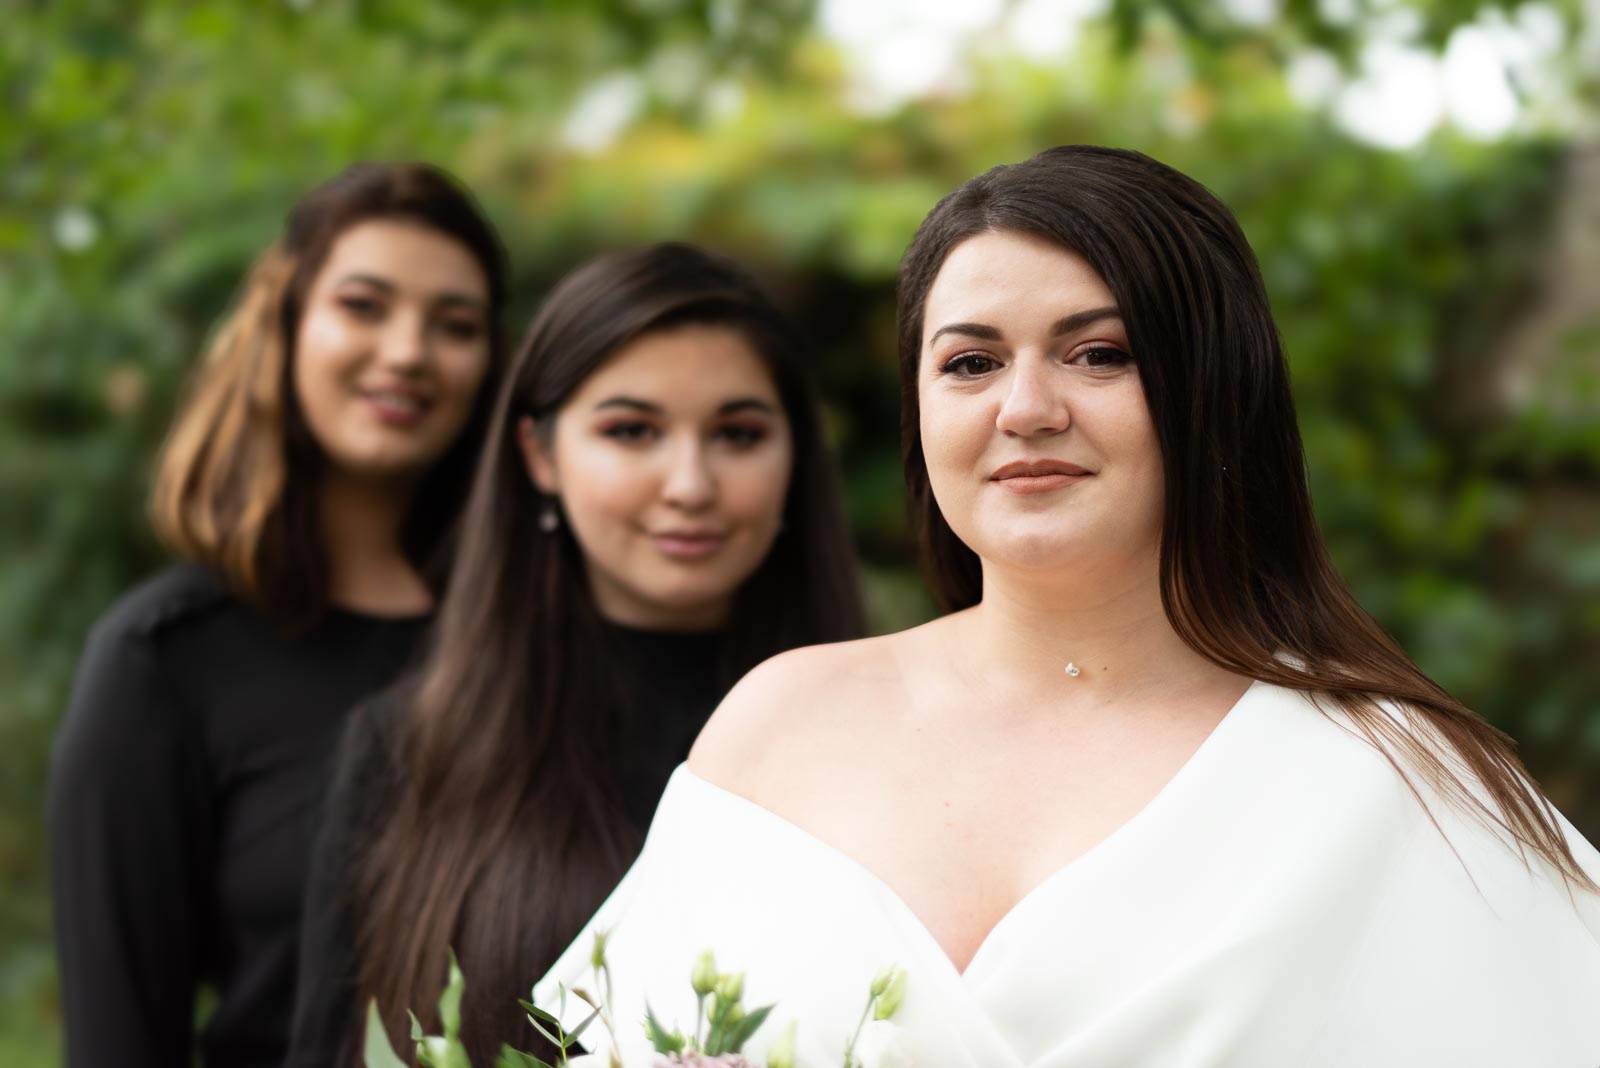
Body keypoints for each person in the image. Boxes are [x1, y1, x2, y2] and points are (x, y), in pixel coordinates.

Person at [539, 146, 1600, 1067]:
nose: (1026, 409)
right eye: (969, 362)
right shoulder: (777, 726)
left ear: (1212, 389)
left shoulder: (1395, 786)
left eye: (1098, 354)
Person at [285, 242, 866, 1065]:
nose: (690, 483)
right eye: (632, 430)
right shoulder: (410, 750)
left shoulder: (888, 744)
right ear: (539, 454)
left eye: (738, 434)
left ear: (795, 459)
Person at [46, 162, 507, 1068]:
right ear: (287, 326)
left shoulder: (529, 641)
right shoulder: (161, 661)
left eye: (455, 324)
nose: (409, 350)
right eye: (364, 305)